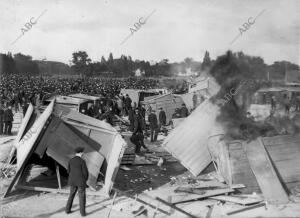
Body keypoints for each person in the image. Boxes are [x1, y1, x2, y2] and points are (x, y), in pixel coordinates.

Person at [65, 147, 89, 217]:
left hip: (72, 181)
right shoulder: (82, 161)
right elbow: (85, 173)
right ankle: (82, 213)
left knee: (71, 195)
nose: (83, 154)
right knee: (82, 197)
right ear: (81, 153)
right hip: (80, 182)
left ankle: (67, 210)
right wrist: (85, 179)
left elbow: (68, 171)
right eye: (83, 152)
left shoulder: (71, 160)